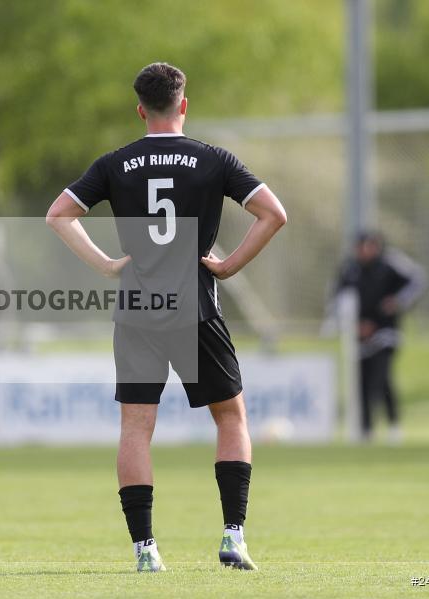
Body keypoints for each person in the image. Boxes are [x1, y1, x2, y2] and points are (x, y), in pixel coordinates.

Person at [46, 62, 286, 572]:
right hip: (195, 307)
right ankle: (233, 536)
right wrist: (227, 266)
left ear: (140, 110)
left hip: (137, 311)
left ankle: (145, 550)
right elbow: (273, 214)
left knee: (136, 427)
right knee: (231, 417)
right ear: (183, 105)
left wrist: (109, 265)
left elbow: (58, 215)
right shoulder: (213, 160)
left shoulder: (115, 163)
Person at [332, 231, 426, 442]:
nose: (364, 251)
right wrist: (352, 325)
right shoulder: (350, 269)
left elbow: (417, 280)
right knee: (361, 381)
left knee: (381, 377)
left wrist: (397, 301)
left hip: (386, 332)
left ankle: (393, 425)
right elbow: (338, 298)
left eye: (368, 246)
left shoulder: (391, 262)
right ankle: (366, 430)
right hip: (359, 335)